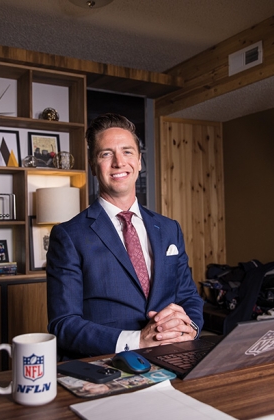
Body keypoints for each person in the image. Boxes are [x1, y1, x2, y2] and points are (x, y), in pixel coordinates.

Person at [47, 113, 203, 359]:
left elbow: (188, 297)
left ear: (139, 161)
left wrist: (189, 330)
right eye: (106, 153)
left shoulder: (170, 228)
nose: (119, 162)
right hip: (106, 366)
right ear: (93, 166)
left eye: (127, 152)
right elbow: (63, 324)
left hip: (171, 358)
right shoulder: (68, 236)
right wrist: (137, 340)